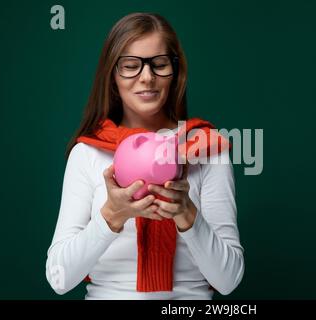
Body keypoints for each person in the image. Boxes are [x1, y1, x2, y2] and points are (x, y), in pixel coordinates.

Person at [45, 12, 244, 300]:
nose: (147, 77)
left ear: (175, 72)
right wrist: (112, 215)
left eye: (159, 64)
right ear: (113, 75)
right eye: (130, 66)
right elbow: (58, 278)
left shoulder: (206, 151)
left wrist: (186, 213)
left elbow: (228, 281)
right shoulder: (88, 153)